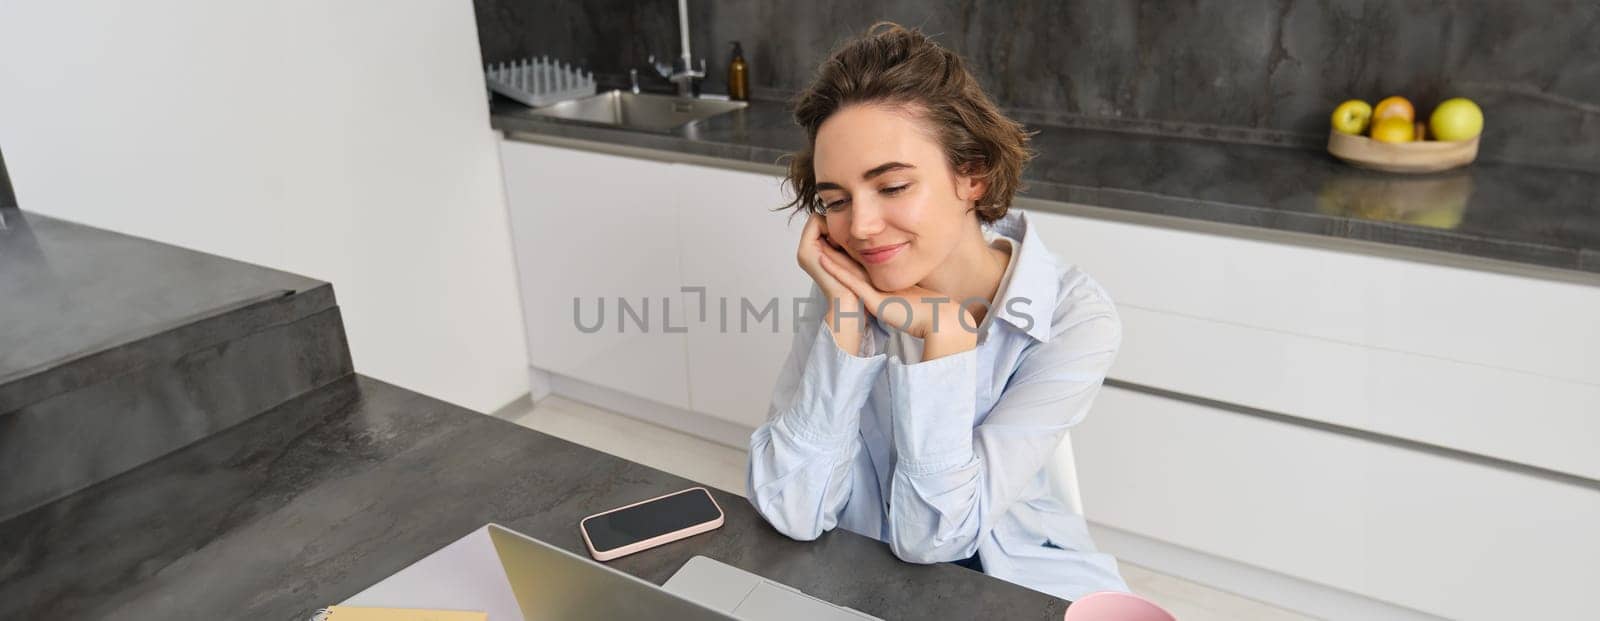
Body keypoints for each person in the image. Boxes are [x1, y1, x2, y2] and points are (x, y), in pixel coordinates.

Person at [744, 22, 1130, 600]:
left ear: (971, 174)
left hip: (1016, 577)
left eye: (893, 186)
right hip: (863, 571)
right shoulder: (850, 282)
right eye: (835, 201)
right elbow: (791, 506)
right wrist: (846, 315)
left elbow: (932, 538)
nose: (862, 228)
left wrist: (945, 336)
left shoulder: (1075, 316)